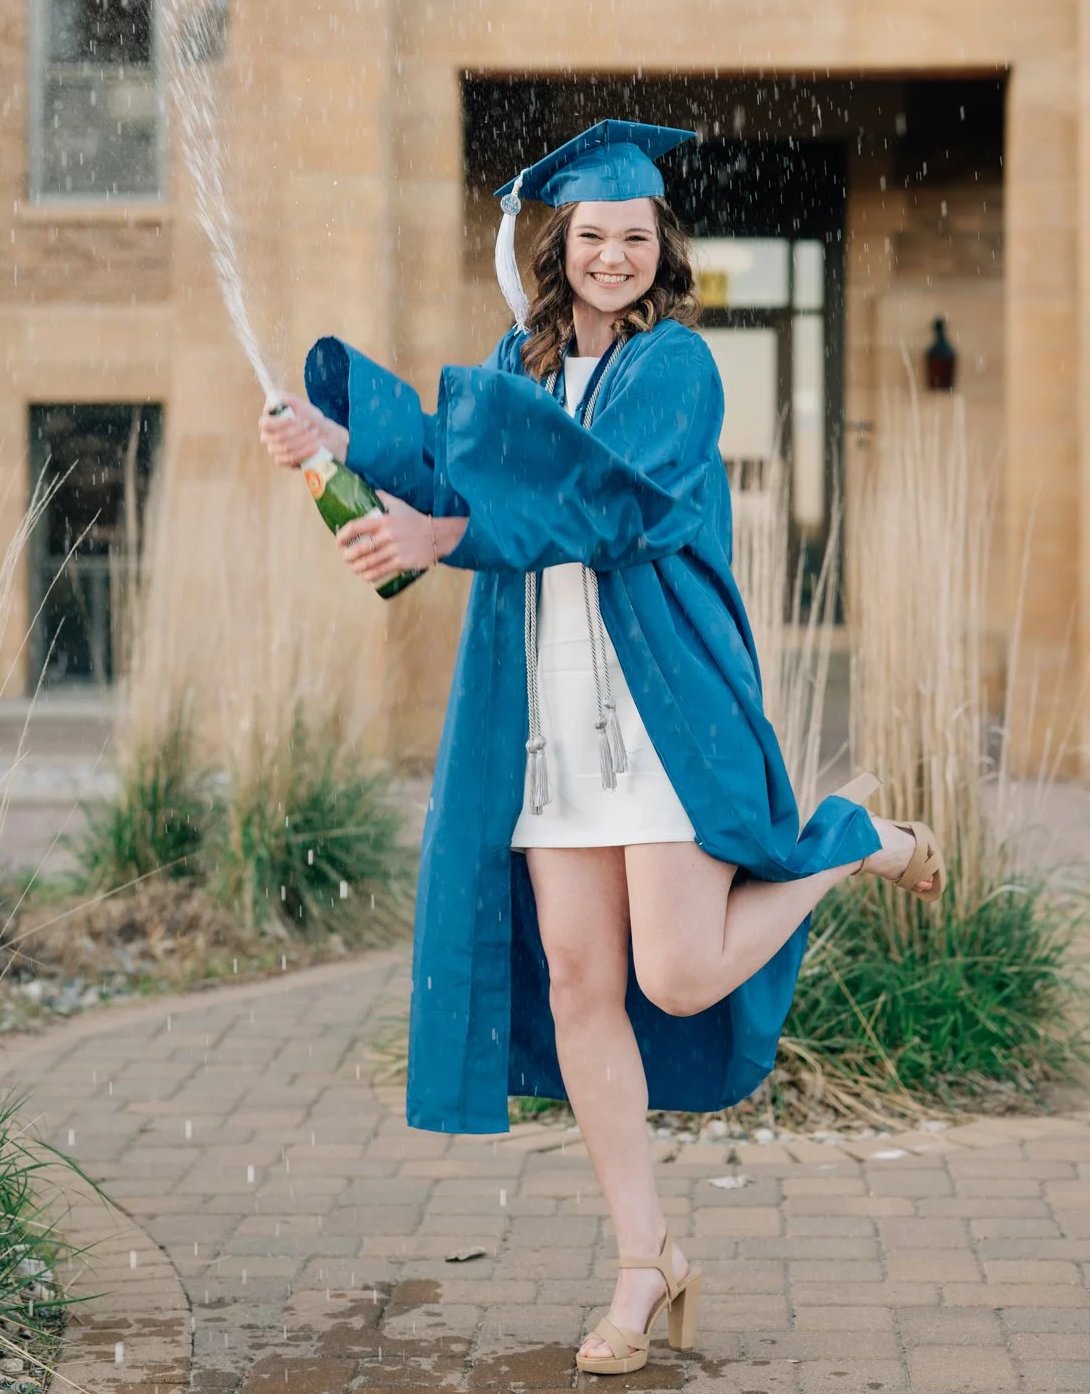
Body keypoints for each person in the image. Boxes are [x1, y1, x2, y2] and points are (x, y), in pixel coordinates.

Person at [259, 119, 944, 1377]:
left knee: (678, 972)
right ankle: (646, 1260)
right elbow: (450, 451)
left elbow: (597, 502)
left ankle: (848, 841)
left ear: (659, 248)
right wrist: (333, 439)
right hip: (551, 738)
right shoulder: (521, 369)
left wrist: (439, 537)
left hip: (660, 721)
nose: (615, 254)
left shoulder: (678, 368)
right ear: (559, 248)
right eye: (592, 237)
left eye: (635, 236)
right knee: (583, 987)